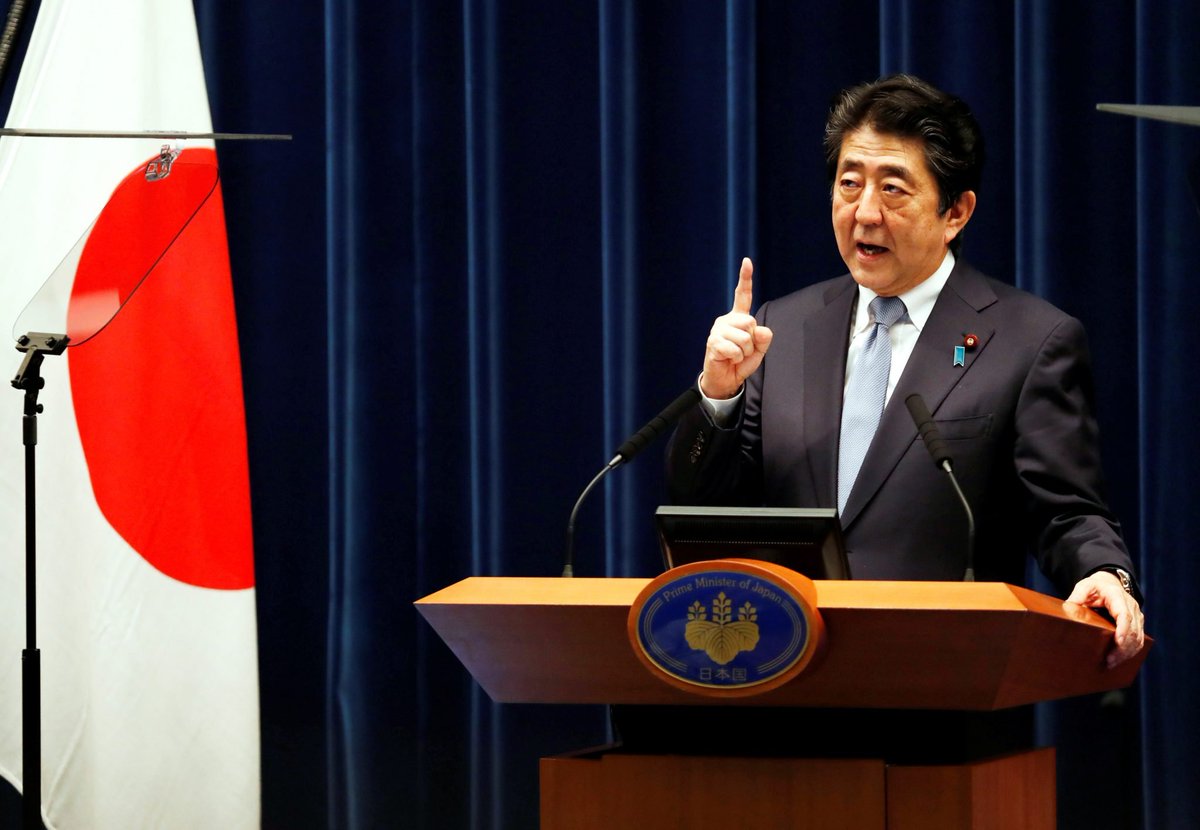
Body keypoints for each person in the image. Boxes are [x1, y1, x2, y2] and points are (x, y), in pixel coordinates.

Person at [665, 73, 1144, 668]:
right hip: (784, 673)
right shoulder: (780, 328)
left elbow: (1065, 511)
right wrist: (718, 396)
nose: (865, 212)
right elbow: (703, 514)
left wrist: (1104, 572)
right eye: (849, 184)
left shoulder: (1030, 341)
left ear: (956, 211)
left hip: (941, 678)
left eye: (893, 189)